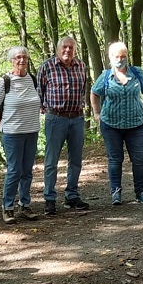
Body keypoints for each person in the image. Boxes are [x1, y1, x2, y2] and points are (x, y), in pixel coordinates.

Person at [90, 41, 143, 205]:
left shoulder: (137, 73)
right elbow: (94, 93)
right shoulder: (105, 76)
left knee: (139, 160)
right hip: (111, 124)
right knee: (115, 159)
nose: (120, 59)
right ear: (110, 57)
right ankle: (116, 193)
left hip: (136, 124)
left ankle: (141, 192)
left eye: (123, 56)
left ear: (127, 57)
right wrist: (97, 114)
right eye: (117, 56)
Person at [0, 47, 42, 224]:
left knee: (27, 171)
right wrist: (1, 128)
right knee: (14, 171)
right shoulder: (5, 81)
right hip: (12, 134)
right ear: (11, 60)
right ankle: (8, 207)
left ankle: (25, 205)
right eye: (18, 57)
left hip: (32, 131)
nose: (21, 60)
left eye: (24, 57)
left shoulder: (33, 79)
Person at [38, 36, 90, 215]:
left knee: (75, 160)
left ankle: (72, 195)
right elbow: (40, 93)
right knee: (51, 161)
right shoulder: (47, 67)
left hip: (77, 118)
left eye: (71, 47)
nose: (67, 50)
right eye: (64, 47)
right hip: (55, 118)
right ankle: (49, 199)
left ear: (75, 49)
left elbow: (83, 89)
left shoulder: (81, 66)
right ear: (57, 49)